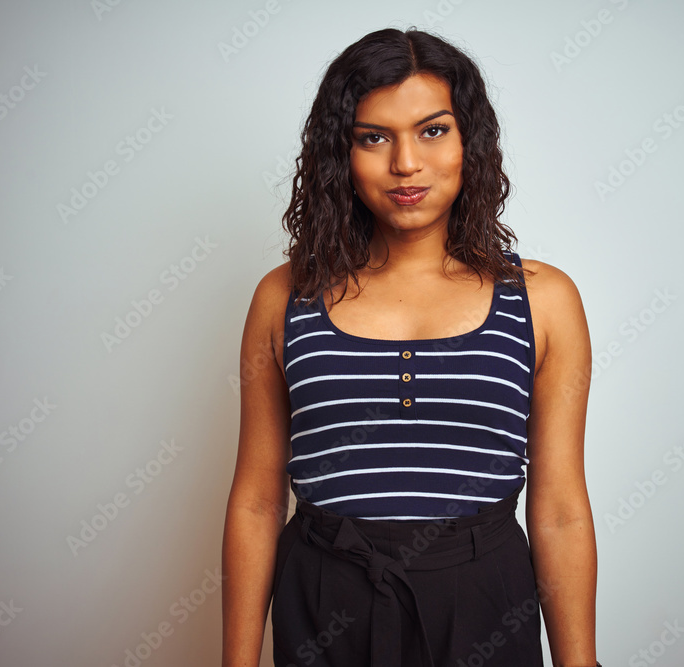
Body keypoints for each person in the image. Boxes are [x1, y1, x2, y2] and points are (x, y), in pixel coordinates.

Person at [223, 27, 600, 667]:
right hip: (323, 601)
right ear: (339, 154)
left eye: (432, 130)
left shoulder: (544, 299)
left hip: (483, 602)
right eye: (373, 137)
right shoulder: (285, 295)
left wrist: (581, 664)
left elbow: (561, 509)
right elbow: (258, 500)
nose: (406, 164)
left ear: (468, 143)